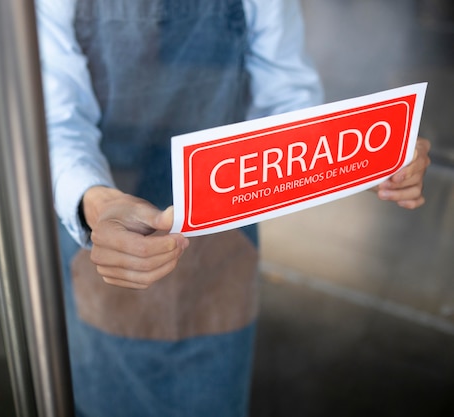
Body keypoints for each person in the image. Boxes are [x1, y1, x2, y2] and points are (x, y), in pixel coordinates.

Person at [36, 0, 431, 416]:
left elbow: (286, 102)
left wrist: (369, 155)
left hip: (223, 244)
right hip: (107, 234)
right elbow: (58, 122)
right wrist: (98, 203)